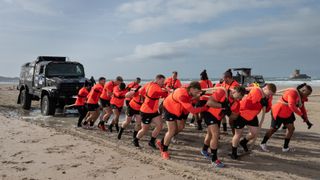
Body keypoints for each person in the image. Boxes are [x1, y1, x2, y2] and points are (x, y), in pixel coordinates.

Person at [157, 81, 209, 159]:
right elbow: (193, 110)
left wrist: (199, 94)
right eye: (196, 91)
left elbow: (191, 97)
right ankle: (164, 150)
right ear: (191, 89)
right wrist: (206, 107)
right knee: (172, 130)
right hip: (169, 108)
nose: (197, 93)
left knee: (181, 127)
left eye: (198, 92)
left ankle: (162, 142)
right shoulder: (182, 95)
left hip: (180, 108)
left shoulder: (188, 88)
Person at [201, 86, 246, 168]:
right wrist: (222, 105)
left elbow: (234, 116)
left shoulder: (237, 103)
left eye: (241, 97)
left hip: (218, 117)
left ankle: (204, 150)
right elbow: (209, 103)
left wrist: (230, 114)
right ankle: (214, 159)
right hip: (209, 114)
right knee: (216, 135)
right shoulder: (222, 92)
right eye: (239, 96)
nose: (239, 99)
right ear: (234, 92)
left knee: (210, 134)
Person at [260, 83, 313, 152]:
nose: (307, 96)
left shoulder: (302, 97)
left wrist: (306, 119)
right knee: (273, 129)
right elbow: (291, 105)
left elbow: (302, 108)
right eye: (307, 94)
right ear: (303, 91)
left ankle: (285, 147)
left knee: (291, 128)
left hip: (288, 114)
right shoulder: (292, 92)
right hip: (278, 112)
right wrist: (301, 115)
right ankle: (263, 143)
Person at [230, 83, 277, 159]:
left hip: (252, 116)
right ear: (266, 89)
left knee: (254, 133)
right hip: (242, 114)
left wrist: (267, 103)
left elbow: (267, 110)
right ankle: (233, 153)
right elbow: (248, 105)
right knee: (238, 134)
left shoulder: (269, 97)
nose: (270, 95)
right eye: (270, 94)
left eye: (271, 95)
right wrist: (260, 104)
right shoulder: (256, 90)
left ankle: (243, 142)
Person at [133, 74, 168, 148]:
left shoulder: (149, 83)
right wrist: (167, 90)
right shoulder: (156, 87)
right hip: (146, 111)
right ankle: (136, 139)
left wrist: (145, 98)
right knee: (145, 129)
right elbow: (165, 94)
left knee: (159, 125)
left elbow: (141, 91)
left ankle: (151, 141)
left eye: (164, 81)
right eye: (162, 81)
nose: (163, 82)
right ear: (157, 79)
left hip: (154, 110)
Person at [216, 69, 240, 134]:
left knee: (232, 122)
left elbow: (238, 97)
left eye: (224, 78)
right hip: (224, 104)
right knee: (218, 119)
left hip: (232, 106)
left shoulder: (236, 85)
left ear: (228, 78)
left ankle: (234, 135)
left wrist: (232, 95)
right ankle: (217, 134)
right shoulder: (224, 83)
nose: (223, 80)